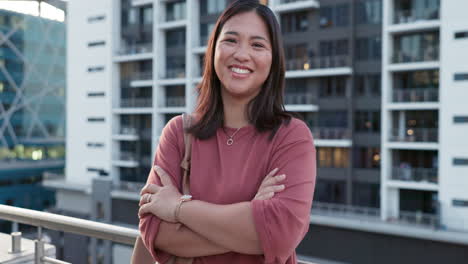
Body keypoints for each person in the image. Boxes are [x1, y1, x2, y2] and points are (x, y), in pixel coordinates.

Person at [131, 0, 316, 263]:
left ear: (273, 60)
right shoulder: (178, 133)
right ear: (213, 50)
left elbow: (282, 233)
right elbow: (155, 230)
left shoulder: (292, 137)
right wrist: (251, 217)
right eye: (231, 40)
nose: (242, 54)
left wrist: (178, 208)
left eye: (257, 45)